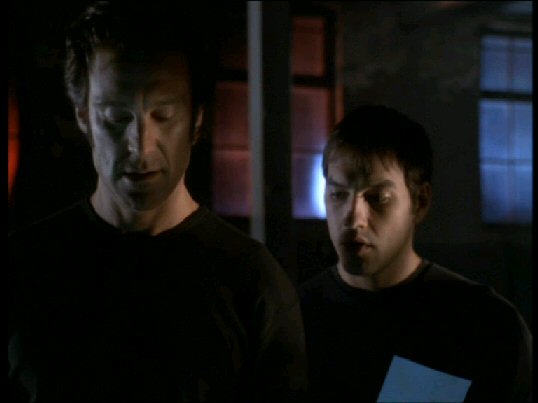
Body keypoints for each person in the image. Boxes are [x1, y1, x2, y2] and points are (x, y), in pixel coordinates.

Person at [8, 2, 307, 402]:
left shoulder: (253, 286)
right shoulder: (22, 268)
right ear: (83, 118)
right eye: (116, 117)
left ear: (196, 120)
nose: (140, 147)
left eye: (163, 115)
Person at [298, 105, 532, 403]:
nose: (353, 218)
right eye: (337, 194)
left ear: (420, 202)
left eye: (378, 198)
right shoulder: (294, 319)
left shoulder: (481, 325)